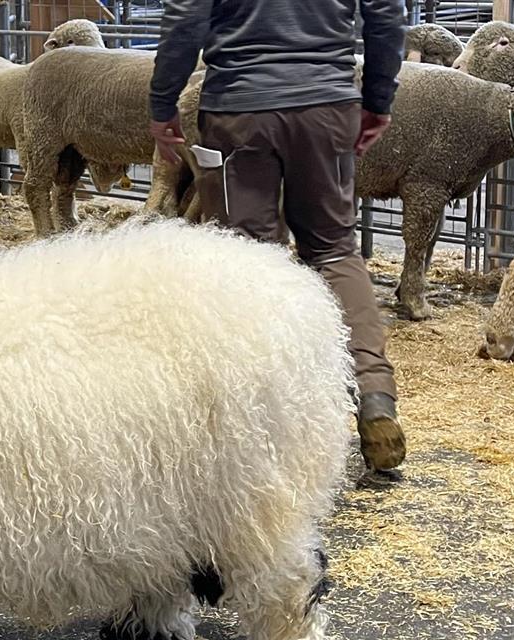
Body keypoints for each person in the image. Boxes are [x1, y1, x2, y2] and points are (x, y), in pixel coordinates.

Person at [149, 0, 408, 473]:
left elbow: (185, 18)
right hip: (328, 105)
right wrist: (377, 100)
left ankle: (262, 418)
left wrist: (162, 103)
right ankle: (374, 394)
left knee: (247, 257)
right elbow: (386, 14)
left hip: (238, 110)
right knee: (334, 251)